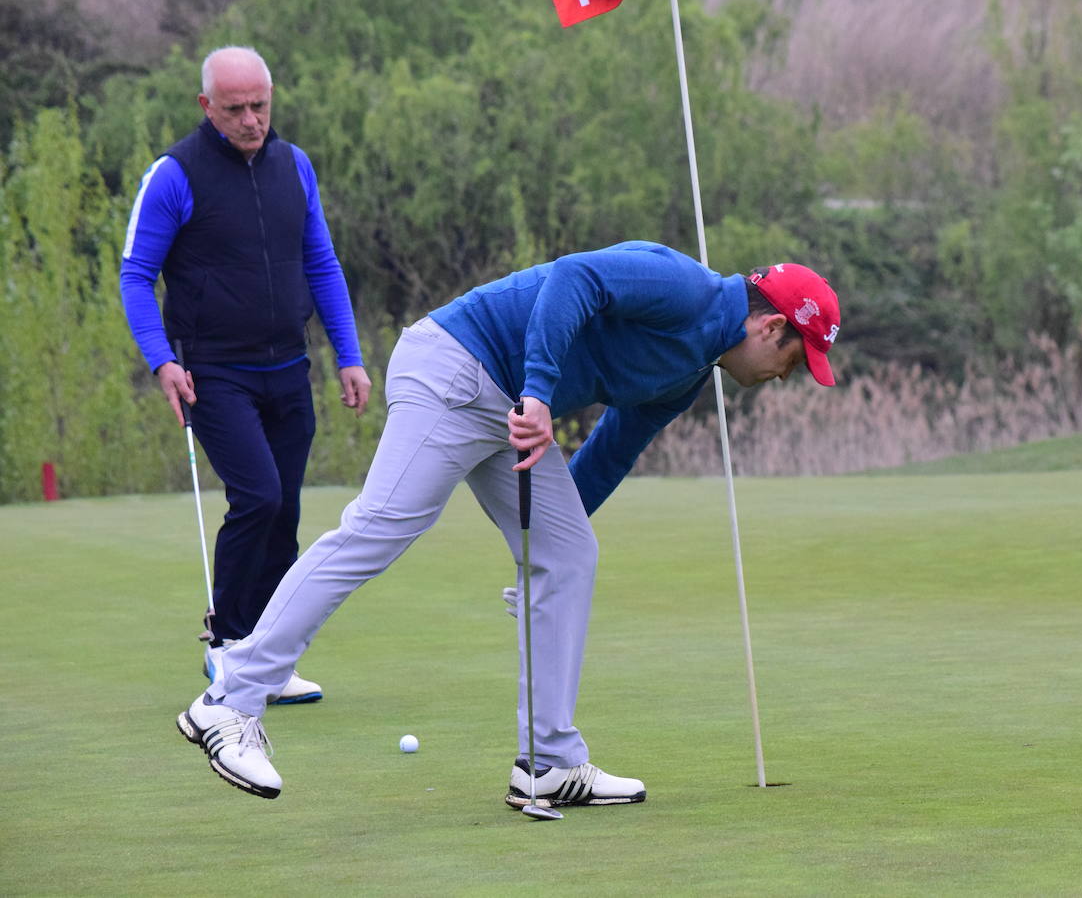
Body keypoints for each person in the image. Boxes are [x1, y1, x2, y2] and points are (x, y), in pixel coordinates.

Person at [175, 241, 840, 808]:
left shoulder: (693, 369)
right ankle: (231, 700)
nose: (787, 377)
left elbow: (615, 445)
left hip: (506, 404)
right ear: (771, 325)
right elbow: (573, 278)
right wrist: (541, 392)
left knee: (570, 555)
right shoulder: (686, 287)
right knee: (380, 526)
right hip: (457, 366)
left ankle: (546, 762)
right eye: (795, 359)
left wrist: (538, 554)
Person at [121, 46, 372, 704]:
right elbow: (135, 275)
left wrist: (349, 355)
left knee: (284, 510)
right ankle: (228, 647)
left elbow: (321, 262)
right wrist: (162, 359)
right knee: (257, 495)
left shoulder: (295, 166)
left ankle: (268, 656)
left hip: (290, 366)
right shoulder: (176, 174)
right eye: (235, 109)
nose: (251, 119)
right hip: (214, 373)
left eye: (260, 105)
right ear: (208, 106)